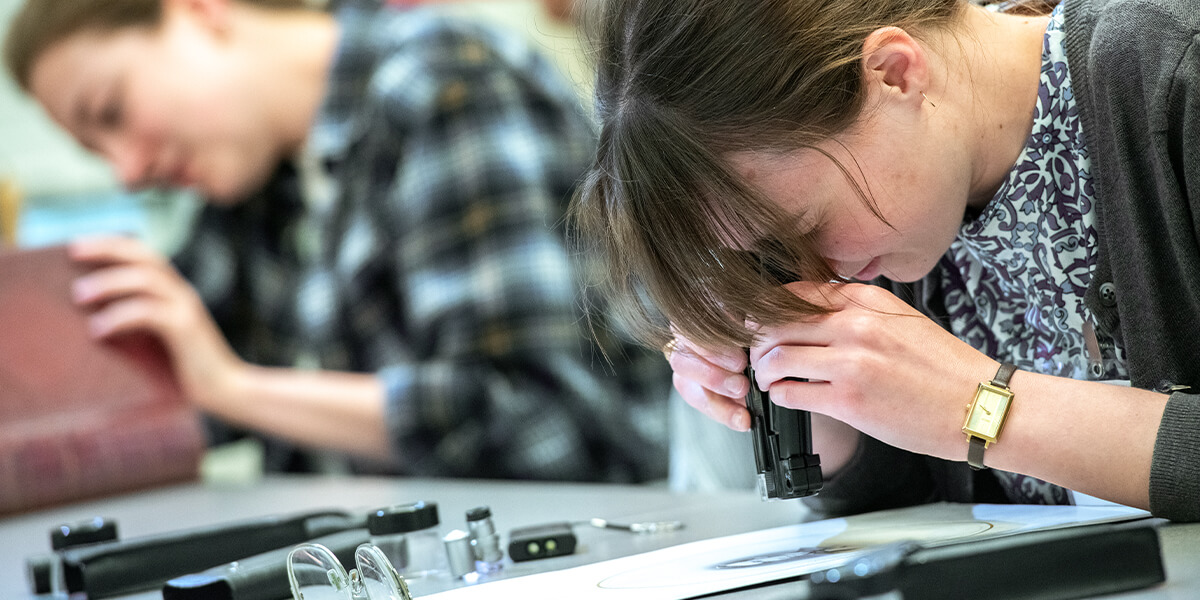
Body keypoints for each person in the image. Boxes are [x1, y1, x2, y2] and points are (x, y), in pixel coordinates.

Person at [571, 0, 1200, 521]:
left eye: (806, 227)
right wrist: (811, 392)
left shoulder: (1174, 66)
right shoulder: (910, 207)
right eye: (768, 251)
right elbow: (912, 508)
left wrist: (981, 408)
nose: (821, 270)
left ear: (895, 73)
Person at [5, 0, 670, 481]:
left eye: (111, 111)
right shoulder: (254, 177)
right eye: (96, 151)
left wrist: (236, 388)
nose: (127, 170)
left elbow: (537, 422)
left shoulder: (445, 77)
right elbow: (165, 391)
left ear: (199, 11)